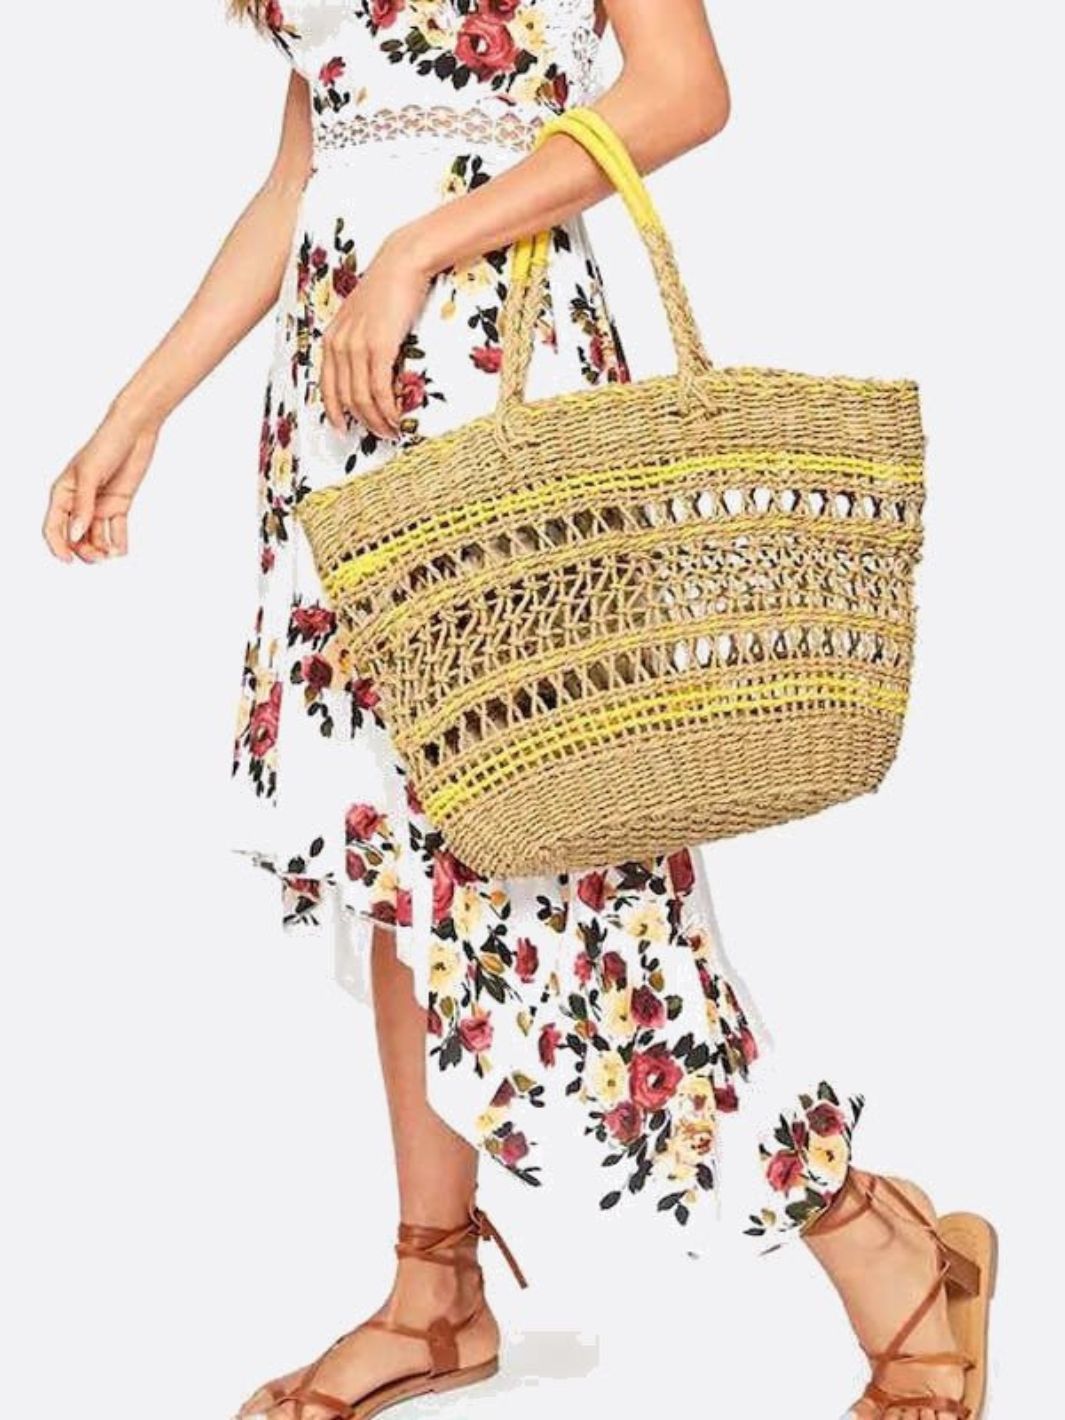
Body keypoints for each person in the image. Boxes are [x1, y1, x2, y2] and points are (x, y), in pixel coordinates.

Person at [41, 4, 995, 1418]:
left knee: (578, 856)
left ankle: (875, 1236)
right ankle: (432, 1294)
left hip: (495, 367)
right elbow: (306, 170)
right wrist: (140, 409)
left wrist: (420, 250)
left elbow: (684, 88)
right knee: (393, 842)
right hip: (338, 404)